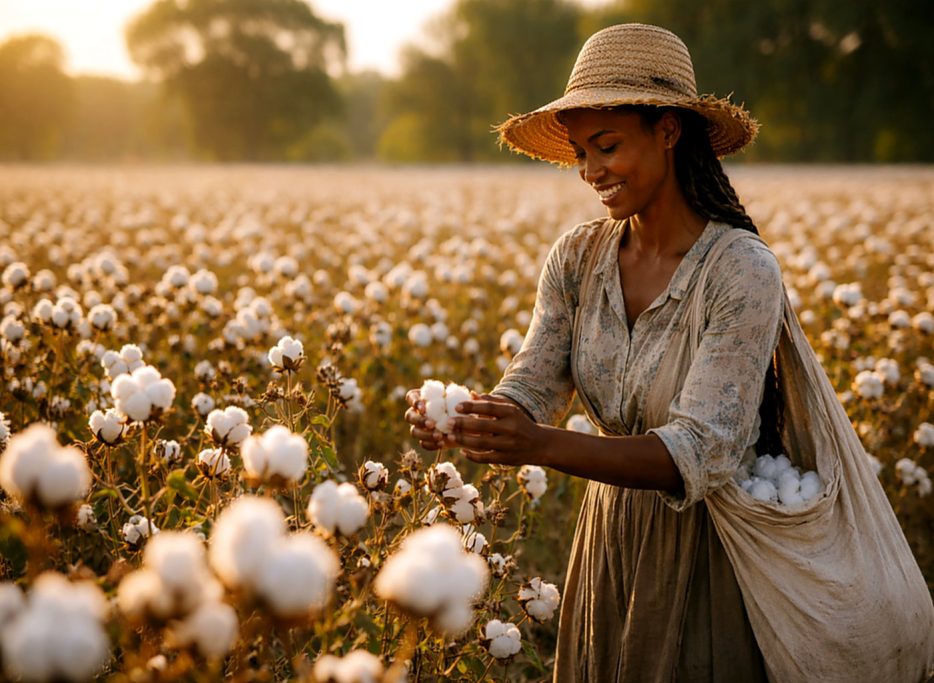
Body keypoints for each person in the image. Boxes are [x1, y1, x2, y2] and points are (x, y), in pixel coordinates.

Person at [405, 23, 781, 682]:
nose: (590, 172)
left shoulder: (740, 270)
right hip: (607, 544)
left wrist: (541, 445)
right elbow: (532, 387)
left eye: (607, 146)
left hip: (713, 551)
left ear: (668, 131)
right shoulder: (578, 258)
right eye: (581, 151)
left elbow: (702, 451)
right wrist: (471, 419)